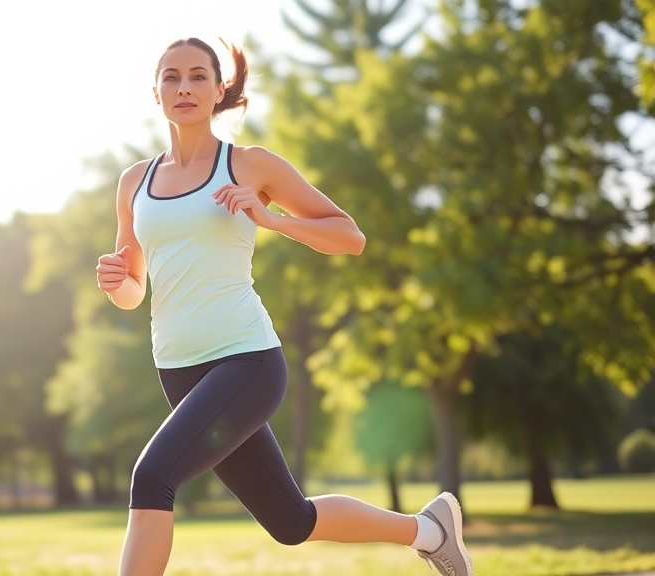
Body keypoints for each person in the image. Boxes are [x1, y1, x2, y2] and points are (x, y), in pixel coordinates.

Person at [95, 37, 474, 576]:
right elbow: (134, 288)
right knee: (291, 522)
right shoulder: (135, 182)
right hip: (177, 368)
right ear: (155, 92)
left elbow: (349, 236)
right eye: (171, 77)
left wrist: (272, 220)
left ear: (219, 89)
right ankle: (429, 530)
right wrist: (117, 284)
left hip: (246, 361)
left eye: (199, 76)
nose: (184, 87)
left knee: (152, 475)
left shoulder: (249, 165)